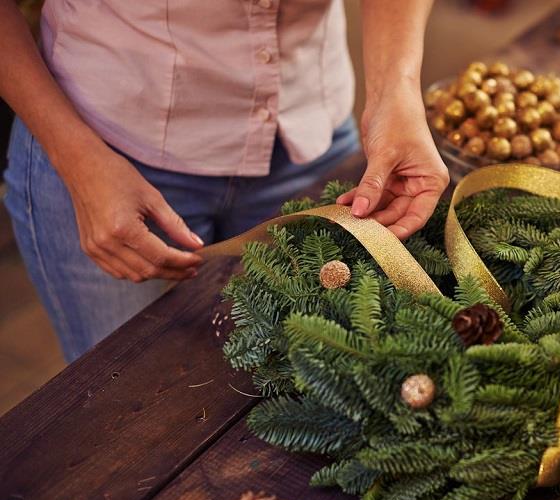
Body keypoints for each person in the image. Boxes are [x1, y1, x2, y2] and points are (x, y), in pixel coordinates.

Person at [0, 0, 449, 363]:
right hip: (105, 155)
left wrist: (397, 91)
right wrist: (79, 161)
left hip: (308, 135)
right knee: (126, 400)